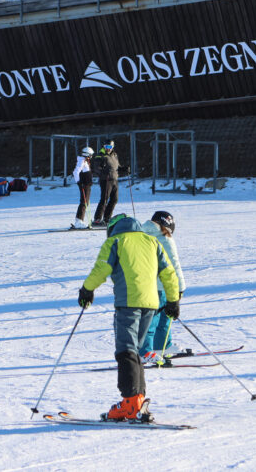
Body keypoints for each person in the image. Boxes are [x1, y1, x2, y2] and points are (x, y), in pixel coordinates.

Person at [78, 213, 180, 422]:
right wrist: (172, 300)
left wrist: (87, 289)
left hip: (128, 303)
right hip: (151, 304)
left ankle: (130, 403)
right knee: (135, 352)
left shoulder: (115, 241)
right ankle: (137, 399)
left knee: (126, 350)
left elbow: (102, 268)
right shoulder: (152, 241)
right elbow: (168, 272)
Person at [139, 210, 187, 361]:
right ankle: (145, 351)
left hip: (147, 285)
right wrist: (180, 287)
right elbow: (174, 265)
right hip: (163, 286)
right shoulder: (166, 239)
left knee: (159, 317)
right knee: (158, 319)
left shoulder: (141, 236)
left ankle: (162, 346)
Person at [90, 140, 120, 228]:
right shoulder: (100, 155)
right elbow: (96, 168)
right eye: (106, 147)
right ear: (104, 146)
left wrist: (123, 169)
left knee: (114, 199)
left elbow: (116, 167)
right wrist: (103, 170)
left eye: (110, 147)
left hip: (114, 179)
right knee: (104, 199)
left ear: (113, 147)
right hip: (106, 180)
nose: (108, 149)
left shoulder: (114, 155)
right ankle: (97, 219)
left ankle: (107, 219)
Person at [71, 147, 94, 229]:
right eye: (91, 155)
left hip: (87, 185)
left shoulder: (85, 161)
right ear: (87, 154)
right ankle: (79, 221)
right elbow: (76, 172)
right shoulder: (82, 161)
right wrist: (79, 182)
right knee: (84, 202)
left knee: (86, 202)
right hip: (84, 185)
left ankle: (80, 220)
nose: (91, 157)